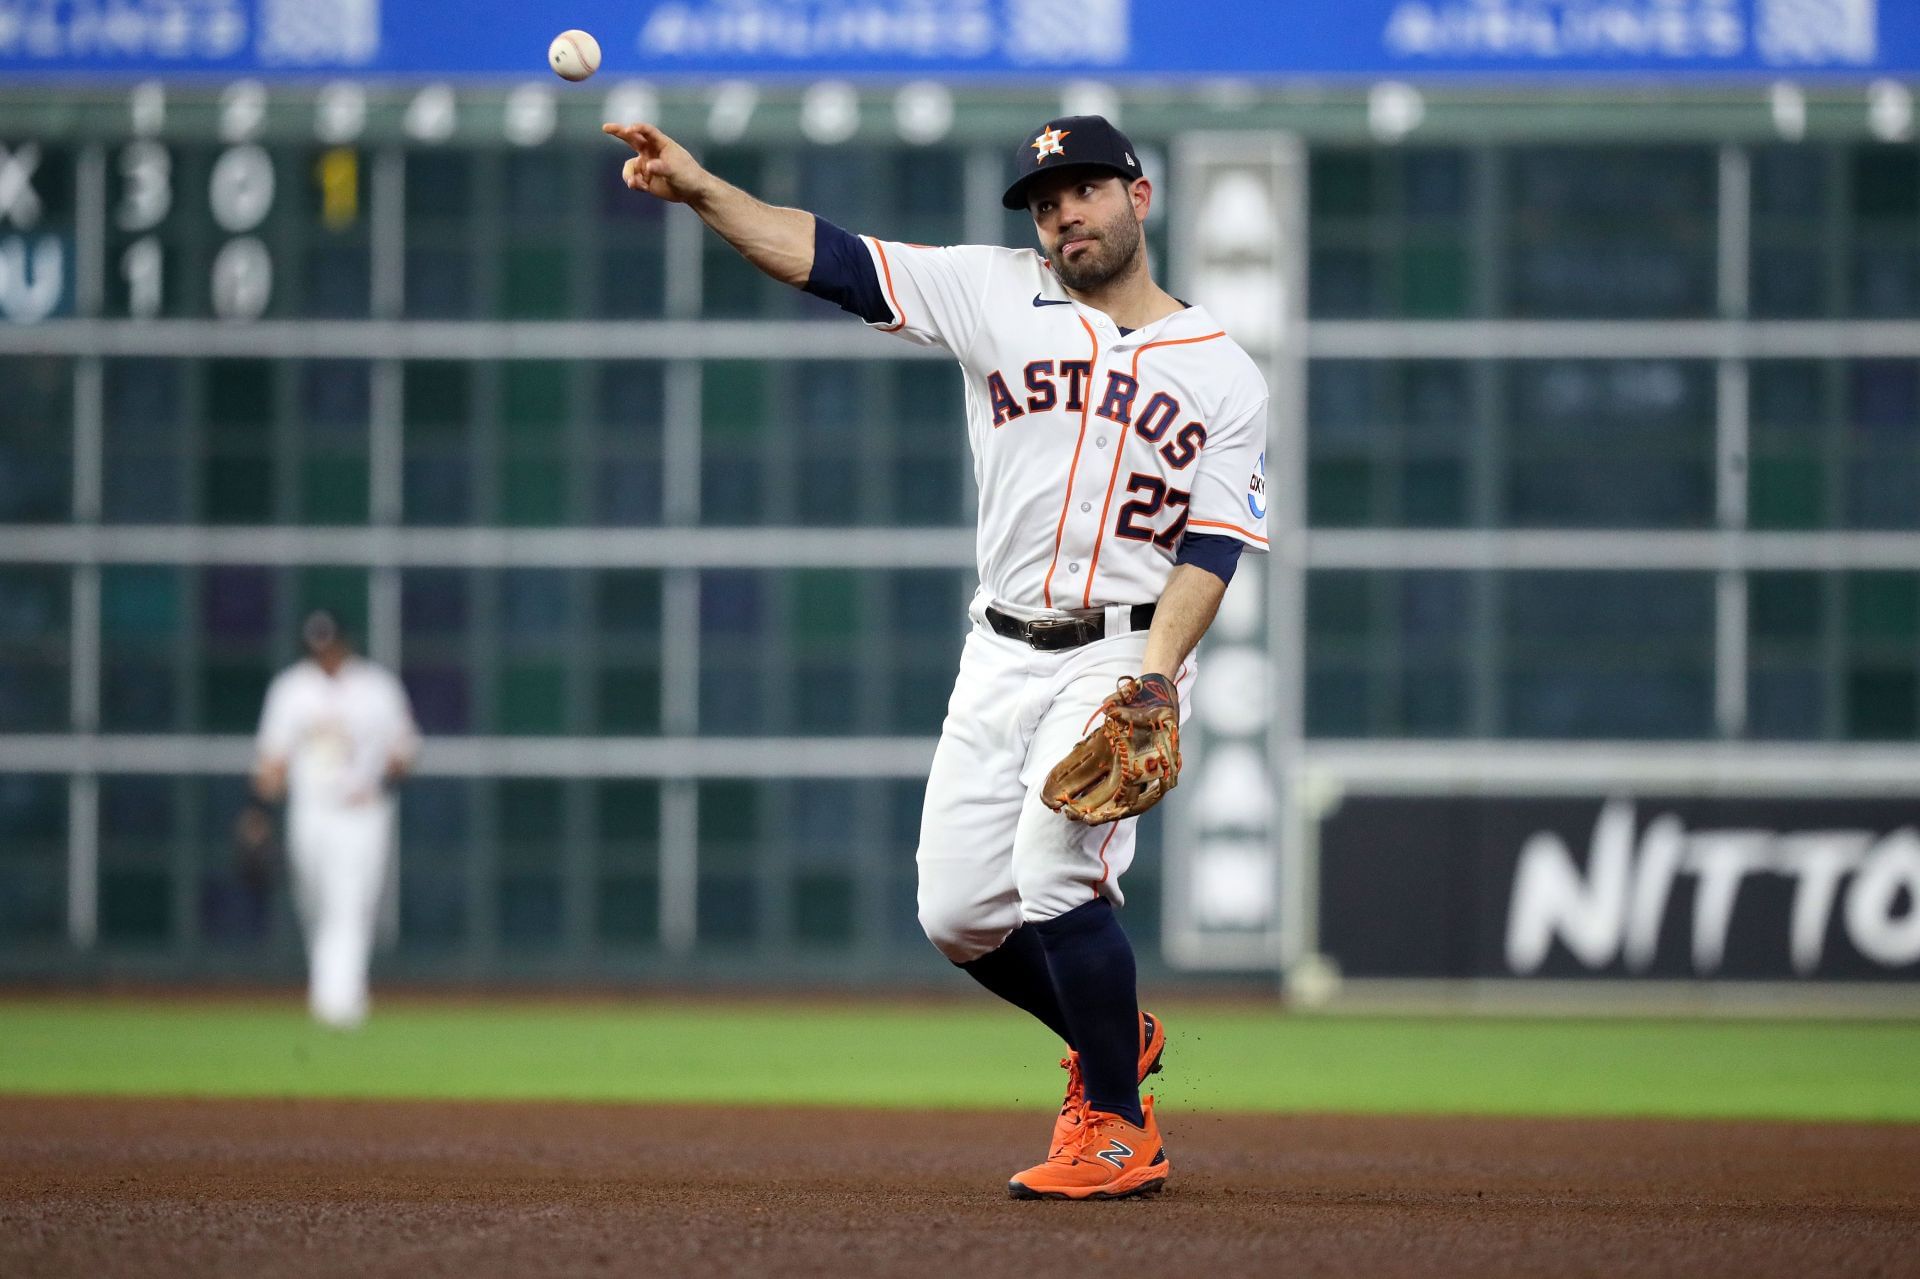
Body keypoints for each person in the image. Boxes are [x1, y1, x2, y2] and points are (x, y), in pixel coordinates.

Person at [603, 113, 1267, 1199]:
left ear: (1139, 198)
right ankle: (1116, 1037)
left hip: (1122, 650)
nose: (1064, 214)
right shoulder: (995, 292)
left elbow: (1215, 545)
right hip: (999, 647)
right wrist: (703, 189)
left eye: (1085, 191)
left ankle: (1117, 1126)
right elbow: (828, 258)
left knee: (1055, 867)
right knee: (956, 913)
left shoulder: (1225, 374)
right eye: (1046, 202)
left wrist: (1156, 675)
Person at [253, 610, 419, 1029]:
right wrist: (257, 812)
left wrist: (377, 779)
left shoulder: (376, 688)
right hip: (311, 809)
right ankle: (332, 988)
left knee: (351, 902)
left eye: (330, 644)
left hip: (362, 811)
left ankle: (339, 1003)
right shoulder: (292, 688)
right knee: (315, 903)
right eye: (316, 646)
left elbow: (404, 750)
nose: (324, 653)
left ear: (346, 643)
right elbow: (273, 759)